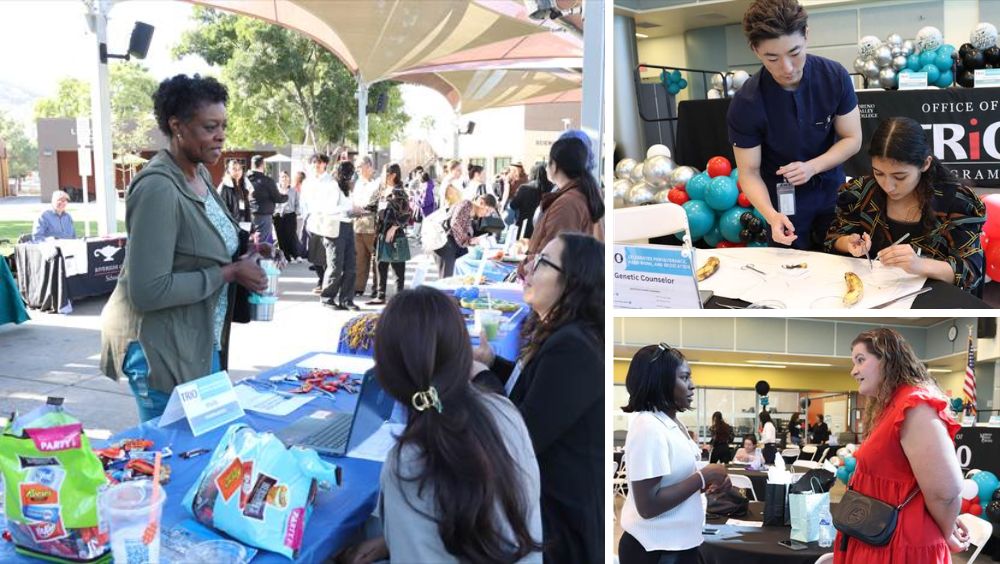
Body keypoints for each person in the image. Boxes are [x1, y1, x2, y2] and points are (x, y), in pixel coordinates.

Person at [99, 74, 267, 422]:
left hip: (199, 340)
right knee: (175, 462)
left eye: (223, 125)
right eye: (209, 126)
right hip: (161, 349)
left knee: (210, 453)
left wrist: (244, 249)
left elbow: (200, 242)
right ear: (177, 127)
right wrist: (229, 272)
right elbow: (149, 290)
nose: (220, 135)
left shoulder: (200, 174)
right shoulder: (158, 189)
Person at [341, 287, 543, 563]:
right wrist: (391, 540)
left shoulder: (409, 462)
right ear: (465, 356)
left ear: (385, 374)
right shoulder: (503, 410)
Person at [474, 233, 604, 563]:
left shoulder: (573, 345)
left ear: (573, 281)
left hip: (562, 523)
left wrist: (479, 375)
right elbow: (537, 388)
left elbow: (522, 433)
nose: (527, 268)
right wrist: (493, 364)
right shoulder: (560, 332)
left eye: (542, 262)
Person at [727, 0, 862, 250]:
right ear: (755, 50)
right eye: (772, 58)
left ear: (806, 36)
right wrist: (771, 215)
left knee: (841, 261)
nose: (787, 68)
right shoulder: (746, 102)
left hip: (831, 189)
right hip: (781, 203)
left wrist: (812, 167)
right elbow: (749, 172)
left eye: (795, 53)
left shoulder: (834, 77)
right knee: (791, 274)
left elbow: (852, 139)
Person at [834, 327, 969, 562]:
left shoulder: (914, 405)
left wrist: (946, 530)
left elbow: (944, 491)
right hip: (879, 534)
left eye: (860, 360)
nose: (853, 371)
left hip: (901, 544)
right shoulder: (892, 405)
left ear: (887, 359)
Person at [825, 117, 986, 292]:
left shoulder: (955, 202)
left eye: (900, 177)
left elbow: (971, 271)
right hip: (876, 292)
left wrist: (920, 265)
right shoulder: (861, 193)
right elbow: (833, 237)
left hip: (934, 299)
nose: (888, 186)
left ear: (925, 164)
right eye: (878, 173)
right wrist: (848, 243)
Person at [617, 344, 731, 564]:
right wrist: (703, 477)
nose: (692, 386)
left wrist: (704, 482)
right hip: (656, 551)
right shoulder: (648, 426)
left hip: (679, 544)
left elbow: (674, 482)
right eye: (685, 377)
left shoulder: (671, 422)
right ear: (661, 382)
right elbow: (648, 506)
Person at [521, 137, 605, 277]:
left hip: (563, 289)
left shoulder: (568, 203)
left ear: (554, 165)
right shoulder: (581, 194)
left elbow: (552, 255)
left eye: (548, 162)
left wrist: (526, 267)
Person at [317, 161, 362, 311]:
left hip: (348, 226)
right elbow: (329, 208)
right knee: (335, 265)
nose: (351, 176)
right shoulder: (332, 186)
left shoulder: (347, 188)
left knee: (351, 265)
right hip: (335, 228)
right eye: (349, 173)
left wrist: (354, 210)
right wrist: (350, 208)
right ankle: (327, 297)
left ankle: (346, 299)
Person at [366, 164, 410, 306]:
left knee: (397, 266)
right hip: (381, 231)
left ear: (393, 175)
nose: (382, 176)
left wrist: (395, 227)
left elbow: (406, 214)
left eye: (385, 173)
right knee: (380, 264)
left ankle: (399, 298)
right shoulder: (382, 190)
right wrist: (359, 210)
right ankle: (381, 295)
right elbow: (373, 206)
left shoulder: (399, 192)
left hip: (394, 233)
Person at [303, 154, 332, 293]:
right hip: (312, 221)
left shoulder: (330, 180)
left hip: (326, 221)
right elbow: (304, 201)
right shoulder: (308, 181)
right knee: (313, 254)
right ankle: (321, 279)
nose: (317, 165)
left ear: (325, 164)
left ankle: (325, 282)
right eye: (314, 162)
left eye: (319, 163)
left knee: (325, 254)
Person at [353, 156, 380, 298]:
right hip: (358, 225)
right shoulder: (357, 183)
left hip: (372, 225)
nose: (357, 169)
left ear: (369, 166)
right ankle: (358, 287)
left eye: (359, 166)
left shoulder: (377, 183)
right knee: (360, 258)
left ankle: (377, 288)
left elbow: (375, 203)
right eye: (356, 167)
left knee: (375, 259)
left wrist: (363, 209)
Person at [246, 154, 287, 244]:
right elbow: (278, 198)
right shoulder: (266, 180)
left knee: (249, 241)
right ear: (263, 165)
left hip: (247, 214)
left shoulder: (245, 179)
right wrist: (285, 195)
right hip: (263, 216)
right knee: (261, 243)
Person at [508, 163, 546, 239]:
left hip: (524, 226)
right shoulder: (551, 189)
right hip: (543, 227)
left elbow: (513, 205)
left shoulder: (525, 188)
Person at [273, 170, 300, 261]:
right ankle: (285, 256)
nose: (284, 178)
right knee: (280, 236)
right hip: (278, 215)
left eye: (286, 177)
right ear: (279, 179)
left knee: (290, 235)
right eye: (282, 177)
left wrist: (296, 212)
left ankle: (295, 254)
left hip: (290, 215)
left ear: (289, 179)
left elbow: (297, 203)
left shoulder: (293, 191)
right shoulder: (276, 190)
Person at [217, 159, 250, 224]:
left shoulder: (242, 185)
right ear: (228, 170)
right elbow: (221, 210)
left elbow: (246, 208)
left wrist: (251, 227)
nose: (237, 172)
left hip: (243, 224)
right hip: (230, 225)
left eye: (239, 169)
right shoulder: (225, 187)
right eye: (234, 169)